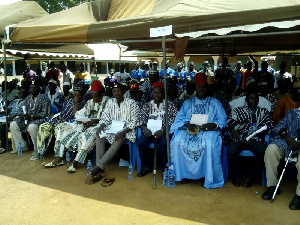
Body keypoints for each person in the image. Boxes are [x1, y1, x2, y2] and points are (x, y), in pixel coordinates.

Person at [170, 73, 227, 188]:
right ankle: (182, 174)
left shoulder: (215, 102)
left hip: (208, 131)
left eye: (204, 86)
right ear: (195, 88)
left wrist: (213, 125)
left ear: (208, 87)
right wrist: (187, 124)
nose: (202, 89)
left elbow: (223, 119)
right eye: (199, 86)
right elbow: (179, 118)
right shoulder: (187, 103)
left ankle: (206, 176)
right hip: (189, 130)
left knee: (209, 143)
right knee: (176, 141)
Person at [43, 80, 106, 169]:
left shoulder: (108, 102)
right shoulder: (89, 102)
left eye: (96, 97)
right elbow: (78, 114)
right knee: (62, 127)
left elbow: (108, 118)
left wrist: (93, 121)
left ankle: (76, 162)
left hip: (99, 127)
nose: (94, 99)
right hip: (84, 125)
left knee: (89, 135)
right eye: (92, 96)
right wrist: (81, 119)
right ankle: (59, 157)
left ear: (101, 94)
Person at [85, 82, 139, 184]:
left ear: (123, 91)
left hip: (126, 130)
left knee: (117, 140)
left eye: (118, 90)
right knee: (99, 135)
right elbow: (105, 118)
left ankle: (98, 167)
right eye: (114, 91)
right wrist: (100, 127)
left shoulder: (131, 103)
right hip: (112, 128)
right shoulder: (110, 102)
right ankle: (101, 169)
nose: (116, 93)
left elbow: (135, 121)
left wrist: (122, 132)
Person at [227, 90, 273, 188]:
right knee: (231, 150)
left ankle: (250, 178)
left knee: (264, 152)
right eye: (251, 98)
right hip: (240, 138)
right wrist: (234, 131)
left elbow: (269, 125)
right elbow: (229, 121)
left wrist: (260, 133)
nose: (253, 100)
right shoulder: (238, 110)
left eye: (256, 98)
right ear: (246, 100)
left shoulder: (263, 112)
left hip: (256, 139)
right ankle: (237, 176)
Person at [32, 84, 87, 160]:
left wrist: (76, 103)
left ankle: (58, 154)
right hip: (57, 119)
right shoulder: (68, 101)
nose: (76, 97)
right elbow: (61, 111)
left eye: (79, 95)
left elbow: (76, 117)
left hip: (68, 123)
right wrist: (54, 116)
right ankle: (40, 152)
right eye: (75, 95)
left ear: (83, 94)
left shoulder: (84, 104)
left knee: (59, 130)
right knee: (43, 127)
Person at [137, 81, 178, 176]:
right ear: (152, 93)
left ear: (163, 93)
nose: (157, 95)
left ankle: (165, 167)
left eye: (159, 92)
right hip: (149, 132)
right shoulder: (147, 105)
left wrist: (163, 130)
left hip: (163, 132)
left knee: (164, 143)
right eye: (155, 92)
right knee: (141, 142)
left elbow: (175, 120)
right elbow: (140, 120)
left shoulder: (169, 105)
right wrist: (145, 129)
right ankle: (147, 165)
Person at [262, 108, 300, 210]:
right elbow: (278, 128)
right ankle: (272, 186)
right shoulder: (293, 112)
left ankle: (299, 195)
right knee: (271, 150)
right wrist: (288, 138)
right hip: (289, 142)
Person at [10, 79, 51, 155]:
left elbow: (45, 113)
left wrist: (32, 116)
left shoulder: (44, 98)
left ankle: (37, 148)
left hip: (39, 119)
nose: (31, 90)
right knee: (13, 124)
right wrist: (22, 115)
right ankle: (22, 145)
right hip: (27, 119)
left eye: (33, 88)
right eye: (30, 88)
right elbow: (23, 109)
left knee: (31, 127)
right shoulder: (28, 98)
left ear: (38, 89)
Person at [0, 88, 28, 153]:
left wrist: (13, 116)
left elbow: (24, 113)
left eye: (23, 93)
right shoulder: (15, 101)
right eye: (20, 93)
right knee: (2, 126)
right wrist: (3, 113)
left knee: (9, 125)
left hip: (20, 120)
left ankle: (21, 145)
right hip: (10, 119)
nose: (21, 94)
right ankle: (4, 147)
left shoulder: (27, 102)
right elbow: (8, 109)